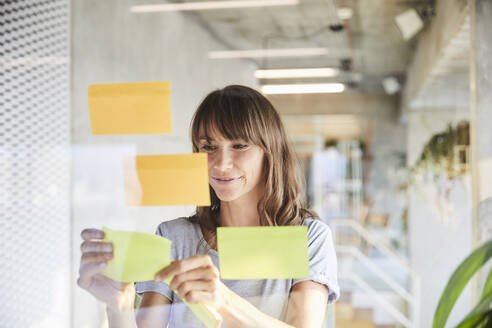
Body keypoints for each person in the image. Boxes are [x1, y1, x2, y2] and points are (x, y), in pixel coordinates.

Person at [78, 85, 339, 328]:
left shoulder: (309, 238)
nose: (221, 163)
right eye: (208, 147)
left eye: (239, 145)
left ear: (270, 151)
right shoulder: (174, 237)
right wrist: (119, 306)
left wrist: (224, 302)